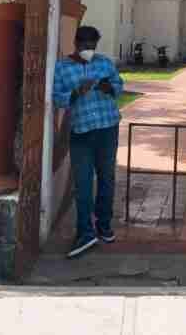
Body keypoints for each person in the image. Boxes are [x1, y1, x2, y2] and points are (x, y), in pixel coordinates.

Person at [52, 25, 124, 258]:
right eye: (85, 46)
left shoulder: (104, 63)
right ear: (76, 43)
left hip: (107, 129)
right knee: (83, 183)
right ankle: (85, 231)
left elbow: (119, 86)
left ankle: (104, 225)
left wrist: (109, 87)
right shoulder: (62, 67)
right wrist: (75, 93)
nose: (89, 50)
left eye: (92, 46)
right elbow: (56, 97)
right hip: (81, 132)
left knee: (107, 178)